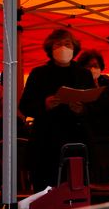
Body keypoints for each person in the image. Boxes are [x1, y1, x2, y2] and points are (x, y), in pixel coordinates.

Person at [19, 29, 94, 192]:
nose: (63, 48)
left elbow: (94, 105)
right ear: (50, 48)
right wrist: (44, 105)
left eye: (67, 44)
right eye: (58, 44)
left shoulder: (83, 74)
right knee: (46, 190)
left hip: (76, 140)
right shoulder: (39, 73)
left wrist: (82, 109)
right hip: (45, 141)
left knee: (75, 186)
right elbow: (25, 105)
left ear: (74, 48)